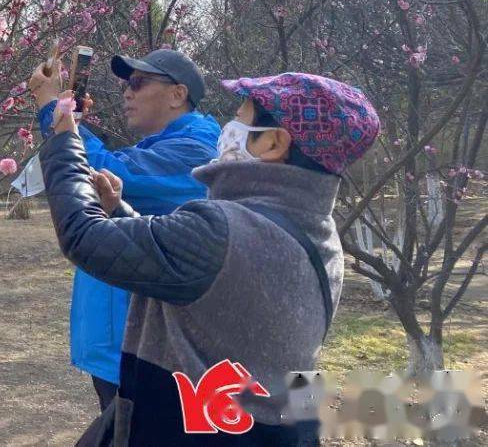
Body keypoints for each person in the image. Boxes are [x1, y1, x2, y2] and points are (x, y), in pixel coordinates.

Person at [39, 72, 379, 445]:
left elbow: (82, 236)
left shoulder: (223, 227)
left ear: (275, 143)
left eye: (242, 118)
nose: (228, 128)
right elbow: (207, 274)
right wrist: (120, 212)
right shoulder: (316, 231)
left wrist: (62, 135)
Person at [28, 49, 220, 411]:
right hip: (122, 340)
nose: (127, 92)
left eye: (138, 82)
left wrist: (53, 109)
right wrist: (68, 120)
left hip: (147, 350)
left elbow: (95, 167)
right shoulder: (160, 147)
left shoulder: (196, 152)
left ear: (178, 95)